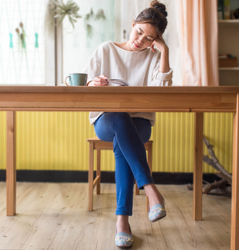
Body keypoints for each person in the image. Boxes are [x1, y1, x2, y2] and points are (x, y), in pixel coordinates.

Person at [84, 0, 172, 248]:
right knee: (120, 118)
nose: (140, 40)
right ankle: (151, 189)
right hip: (106, 120)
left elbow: (162, 92)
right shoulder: (106, 50)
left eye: (149, 39)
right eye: (139, 32)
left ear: (156, 41)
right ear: (132, 25)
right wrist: (94, 85)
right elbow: (85, 85)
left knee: (124, 142)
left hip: (140, 122)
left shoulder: (154, 57)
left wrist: (164, 52)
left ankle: (122, 221)